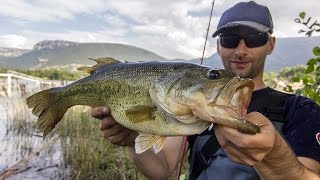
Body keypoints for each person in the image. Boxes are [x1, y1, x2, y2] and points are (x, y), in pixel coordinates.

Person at [91, 1, 320, 179]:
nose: (241, 50)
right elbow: (160, 170)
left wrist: (274, 157)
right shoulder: (186, 105)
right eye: (230, 39)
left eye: (254, 38)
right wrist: (132, 139)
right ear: (218, 46)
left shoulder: (301, 110)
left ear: (270, 44)